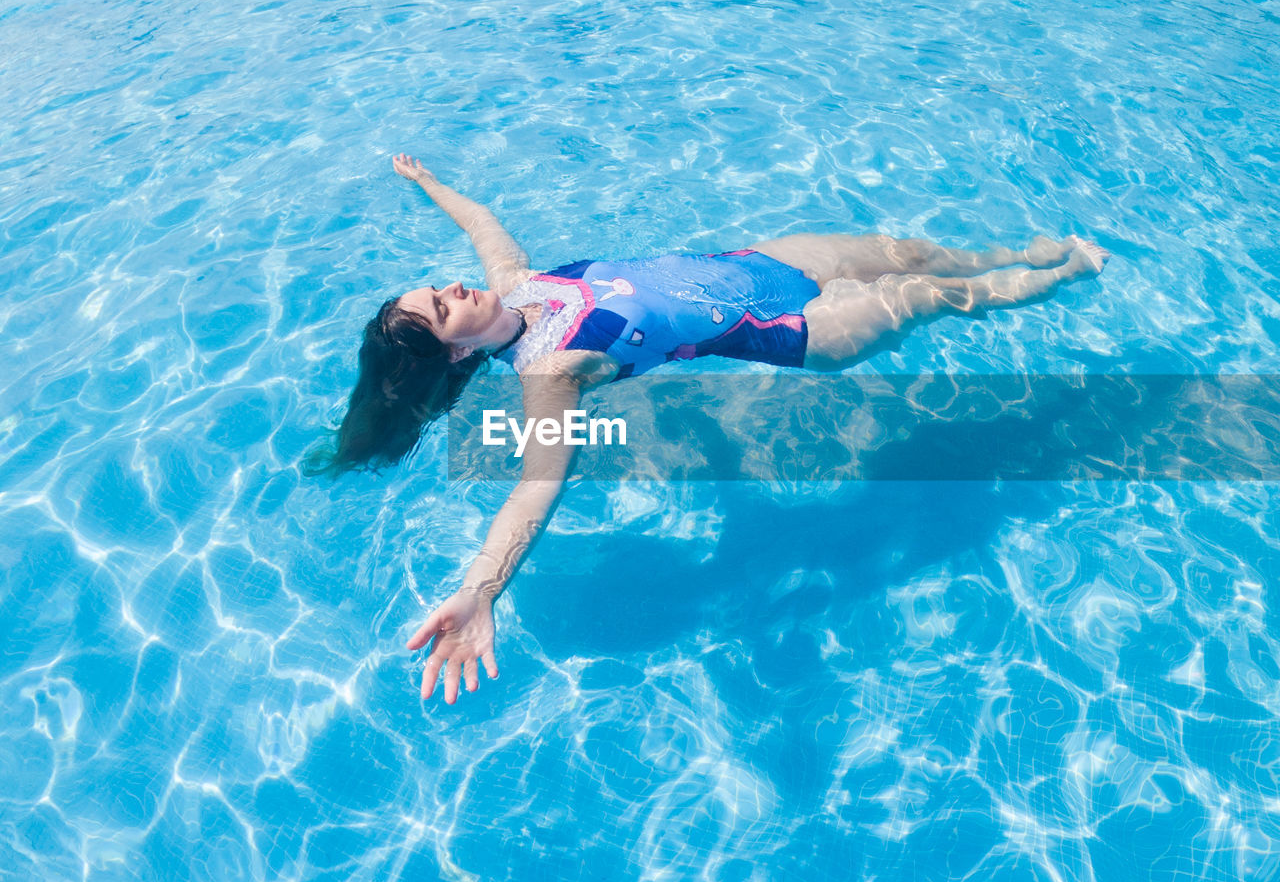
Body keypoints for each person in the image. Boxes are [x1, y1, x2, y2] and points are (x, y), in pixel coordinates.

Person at [311, 153, 1109, 705]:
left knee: (918, 253)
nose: (454, 287)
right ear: (454, 352)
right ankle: (1070, 271)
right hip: (797, 326)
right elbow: (534, 489)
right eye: (443, 305)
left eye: (439, 288)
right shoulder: (551, 375)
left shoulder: (514, 283)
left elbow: (480, 224)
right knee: (929, 296)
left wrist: (429, 183)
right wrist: (481, 590)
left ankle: (1020, 253)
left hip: (764, 263)